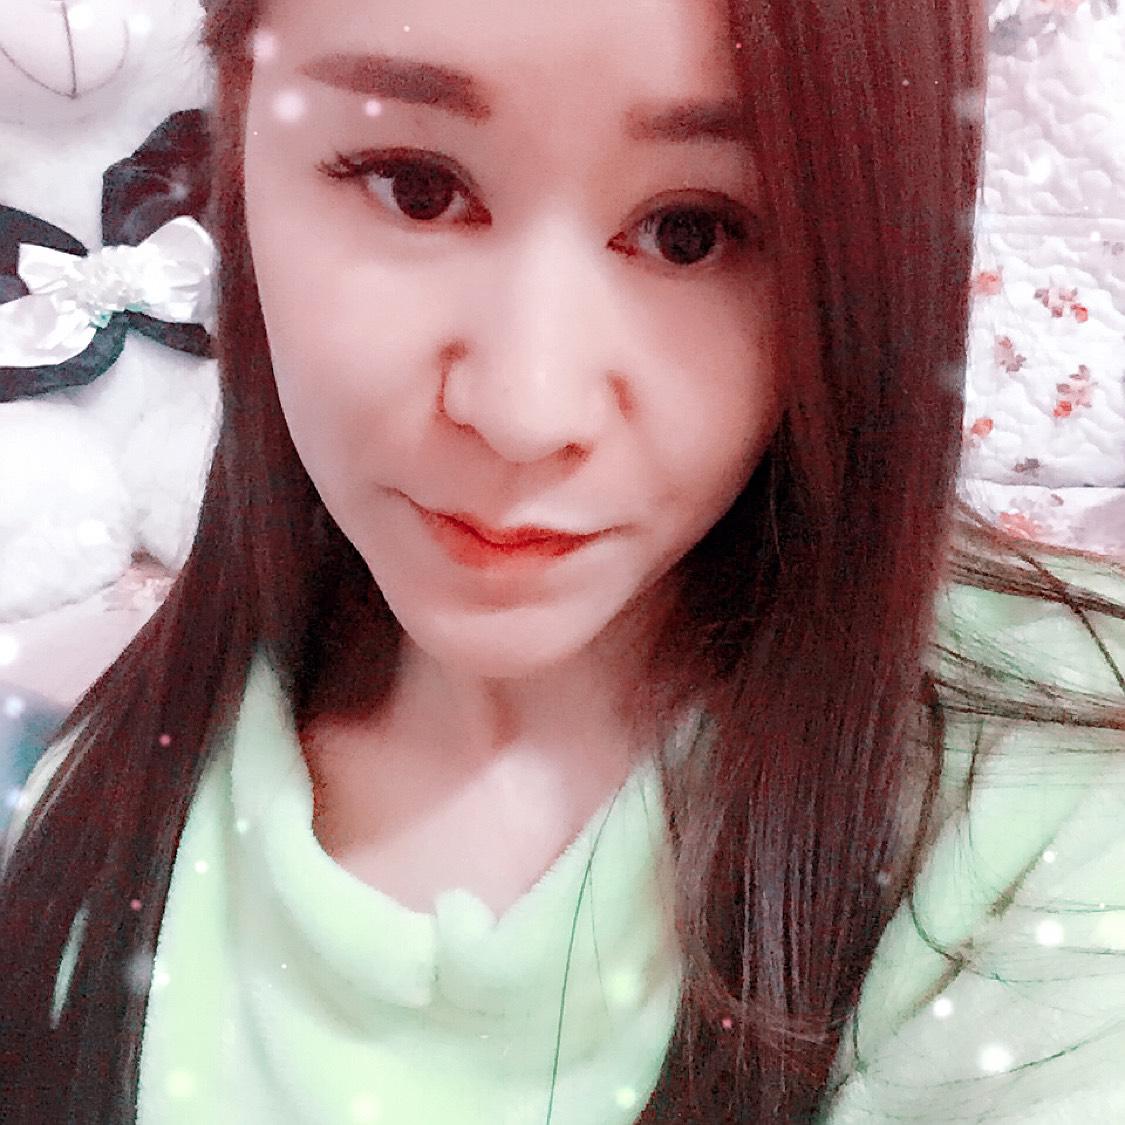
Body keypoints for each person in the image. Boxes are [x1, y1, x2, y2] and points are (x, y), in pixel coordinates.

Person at [1, 0, 1123, 1121]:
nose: (524, 412)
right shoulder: (70, 776)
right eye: (415, 187)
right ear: (234, 139)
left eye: (692, 231)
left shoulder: (1058, 820)